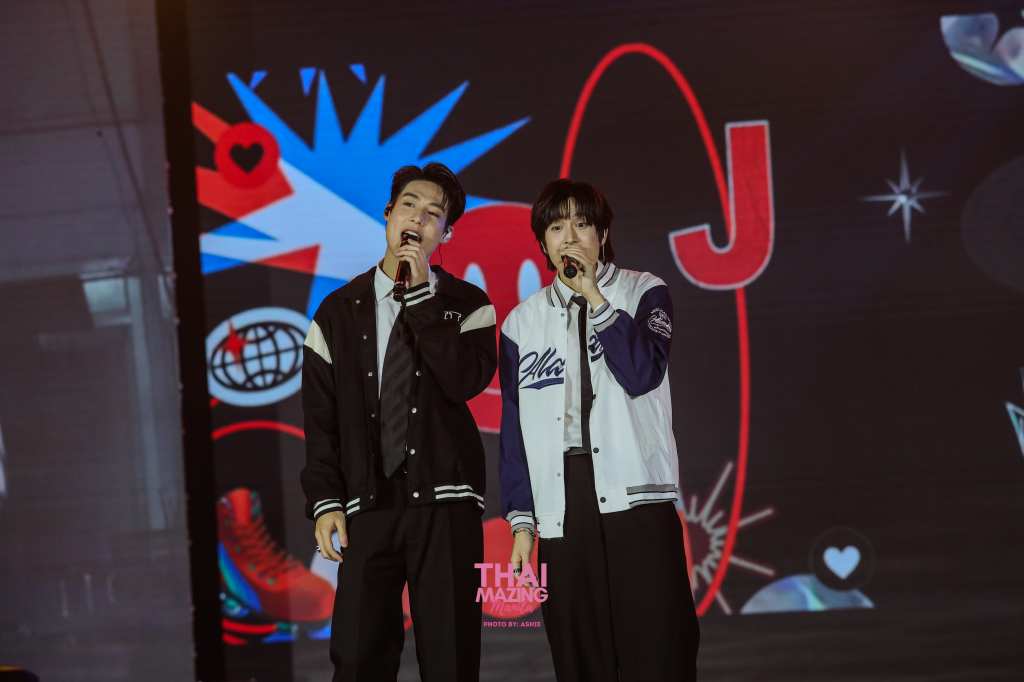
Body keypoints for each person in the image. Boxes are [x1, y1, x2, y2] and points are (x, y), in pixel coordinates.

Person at [301, 162, 496, 682]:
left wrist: (423, 300)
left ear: (445, 234)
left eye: (434, 214)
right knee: (357, 657)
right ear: (388, 214)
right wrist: (326, 501)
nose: (418, 218)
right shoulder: (336, 313)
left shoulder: (468, 304)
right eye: (409, 205)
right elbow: (320, 422)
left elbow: (465, 380)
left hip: (446, 502)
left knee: (451, 658)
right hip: (369, 504)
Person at [499, 179, 700, 681]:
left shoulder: (643, 290)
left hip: (637, 495)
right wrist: (522, 523)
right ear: (542, 243)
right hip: (563, 506)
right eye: (556, 228)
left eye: (582, 224)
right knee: (580, 652)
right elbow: (514, 429)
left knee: (660, 646)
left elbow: (641, 373)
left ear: (603, 234)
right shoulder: (520, 324)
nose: (570, 238)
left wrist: (595, 297)